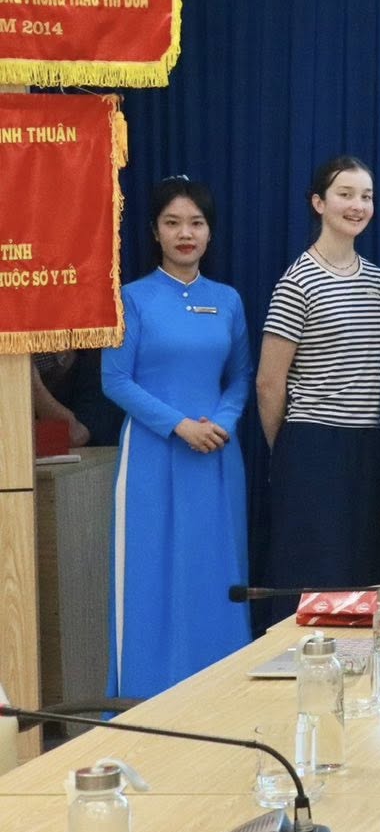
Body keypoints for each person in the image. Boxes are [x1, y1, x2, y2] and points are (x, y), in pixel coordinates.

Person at [100, 177, 251, 696]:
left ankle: (221, 700)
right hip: (152, 454)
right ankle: (142, 699)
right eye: (173, 223)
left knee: (214, 573)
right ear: (155, 232)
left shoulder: (227, 300)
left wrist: (222, 422)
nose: (185, 233)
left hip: (216, 454)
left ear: (210, 232)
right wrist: (179, 425)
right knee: (150, 576)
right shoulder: (131, 298)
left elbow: (241, 377)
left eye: (196, 223)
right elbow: (115, 380)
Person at [256, 156, 380, 604]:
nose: (357, 205)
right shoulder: (297, 281)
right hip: (311, 443)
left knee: (361, 571)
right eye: (345, 194)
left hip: (366, 444)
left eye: (366, 196)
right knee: (312, 573)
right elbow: (269, 382)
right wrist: (288, 449)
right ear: (318, 203)